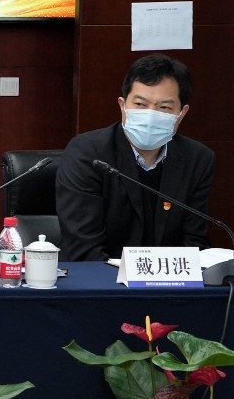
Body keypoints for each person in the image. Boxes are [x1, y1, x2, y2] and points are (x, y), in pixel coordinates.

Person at [55, 54, 215, 262]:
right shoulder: (88, 153)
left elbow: (194, 244)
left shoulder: (197, 160)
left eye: (164, 107)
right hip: (98, 276)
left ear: (181, 113)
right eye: (140, 104)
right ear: (122, 105)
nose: (151, 115)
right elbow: (84, 248)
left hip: (168, 279)